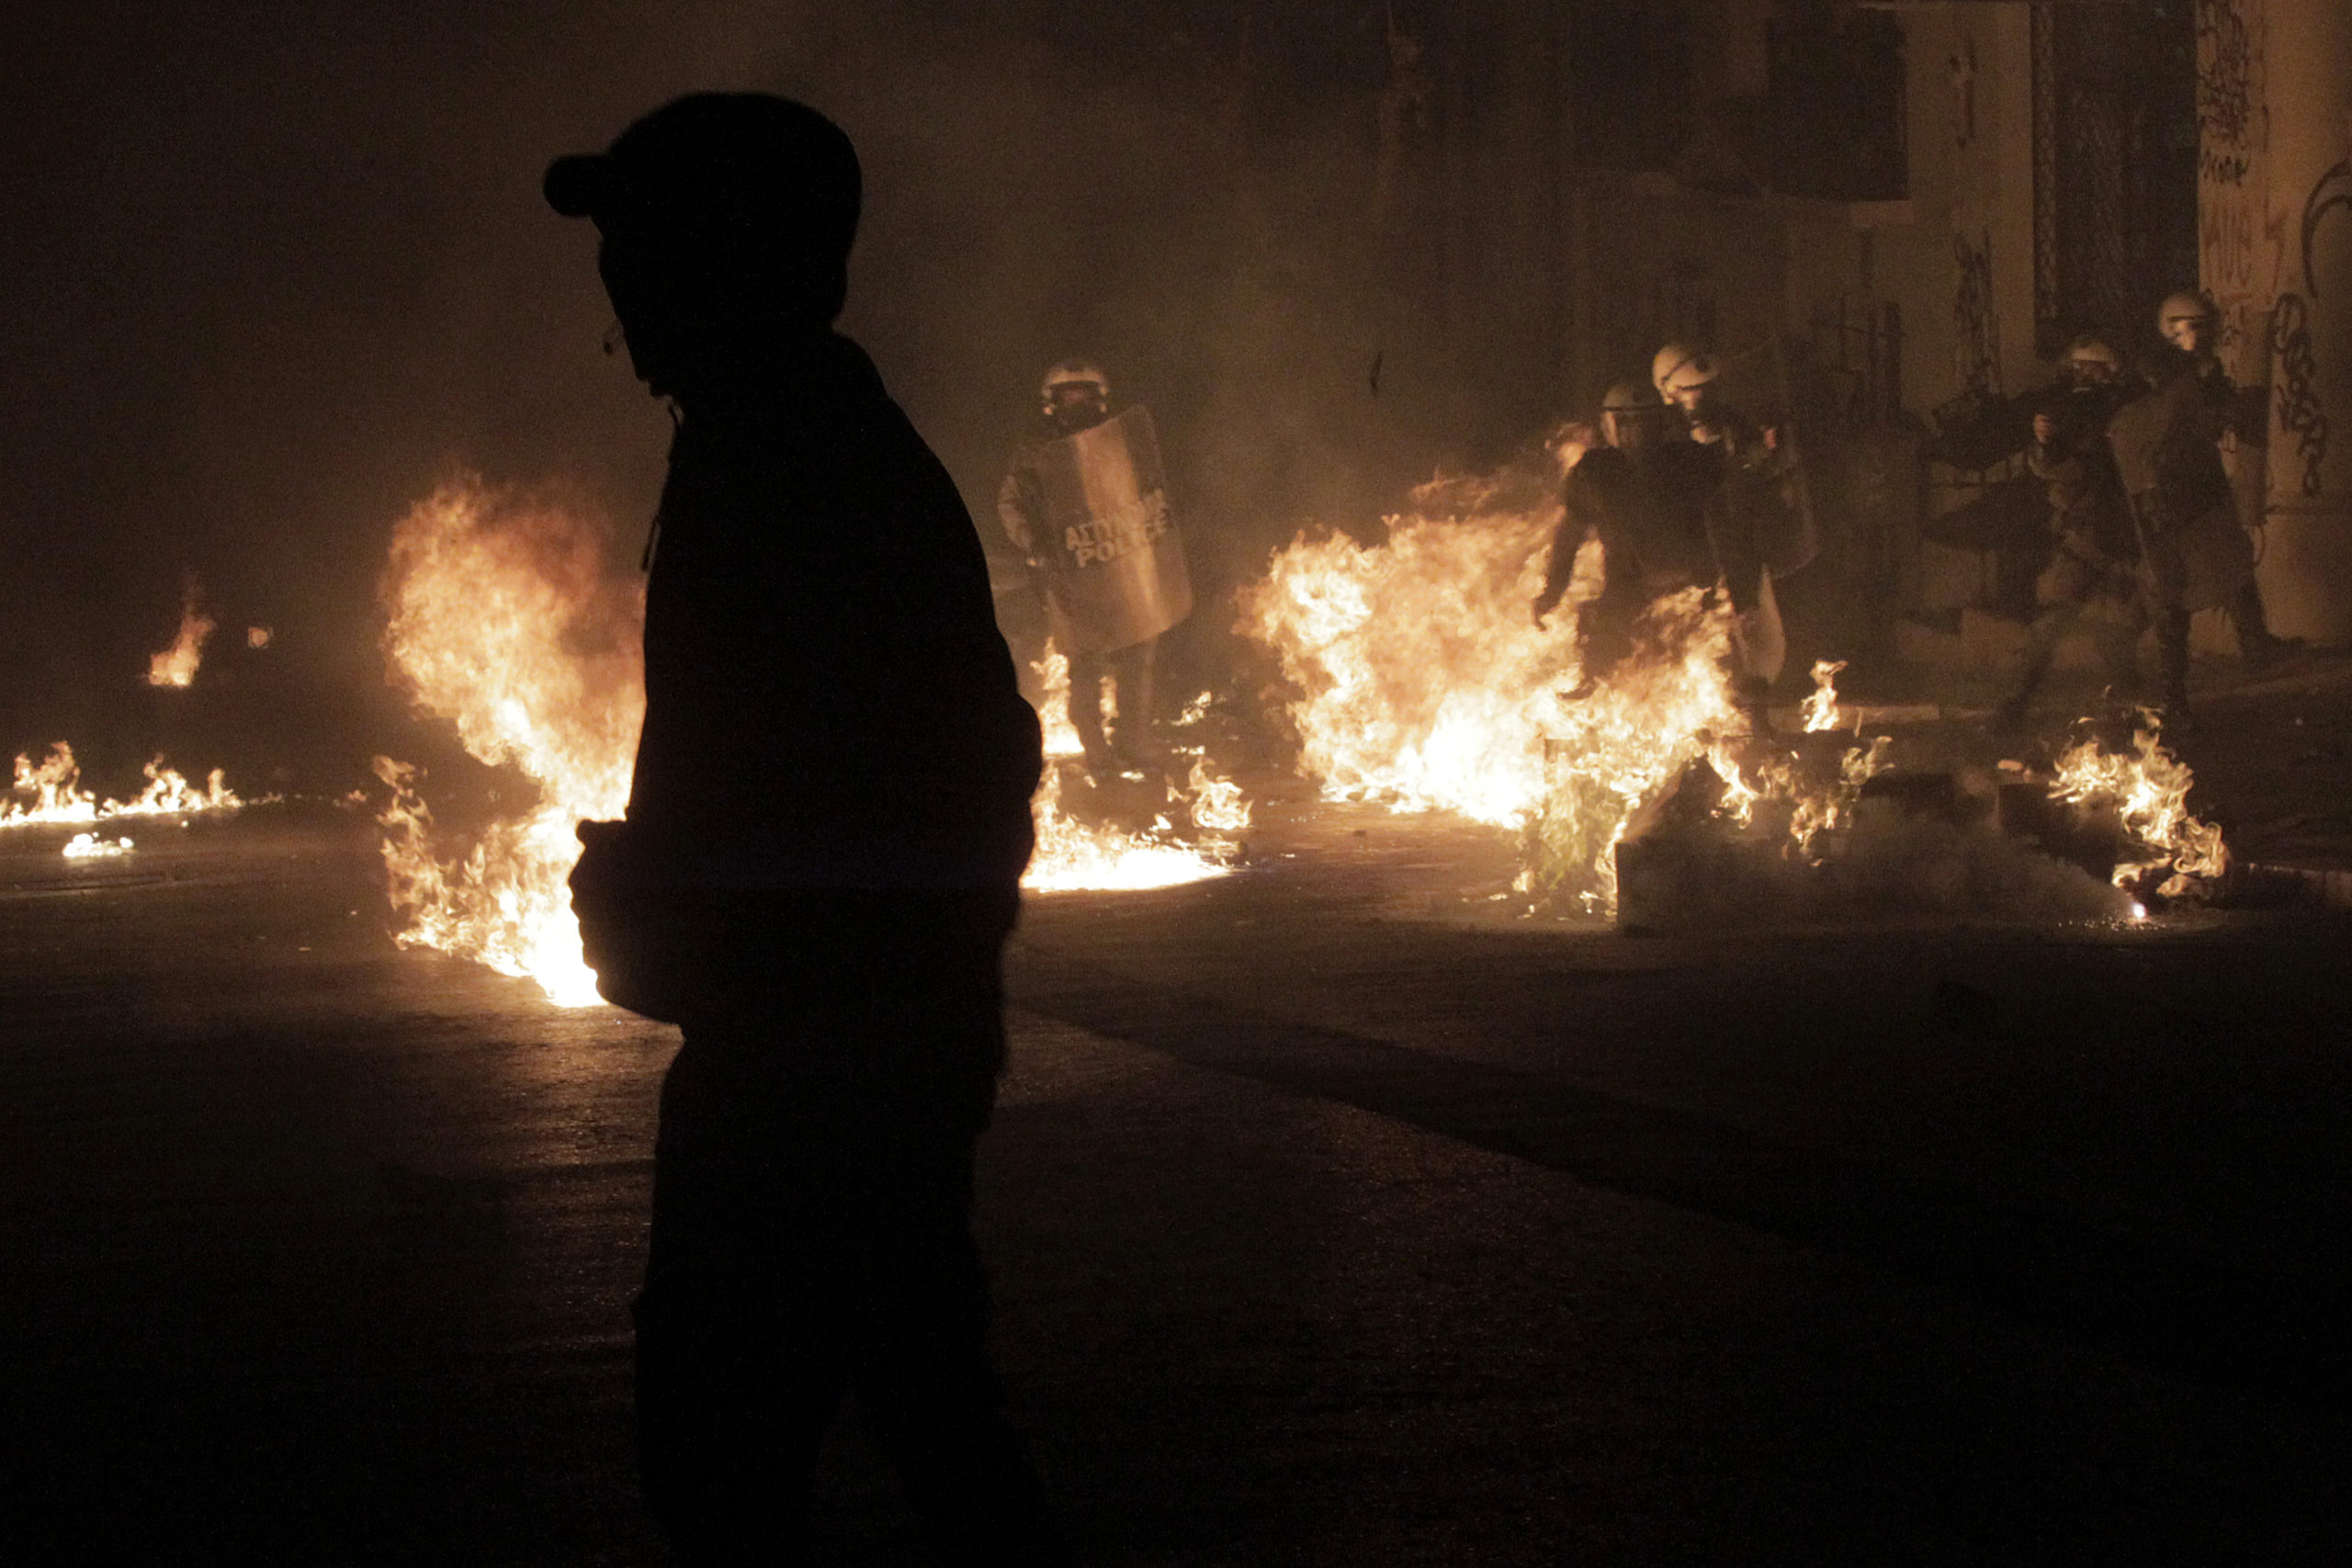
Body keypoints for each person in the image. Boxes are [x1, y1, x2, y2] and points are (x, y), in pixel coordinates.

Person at [545, 94, 1068, 1564]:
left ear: (739, 259)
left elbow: (931, 776)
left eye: (644, 245)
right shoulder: (760, 443)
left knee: (746, 1450)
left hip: (819, 1067)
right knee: (913, 1418)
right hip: (829, 1046)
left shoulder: (804, 464)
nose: (618, 285)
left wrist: (701, 907)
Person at [2109, 290, 2295, 723]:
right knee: (2168, 595)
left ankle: (2253, 646)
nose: (2200, 337)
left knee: (2228, 565)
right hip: (2160, 496)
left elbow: (2210, 418)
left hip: (2192, 491)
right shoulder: (2159, 372)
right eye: (2193, 328)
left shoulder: (2192, 371)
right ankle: (2172, 695)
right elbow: (2163, 424)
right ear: (2175, 329)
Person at [997, 360, 1189, 776]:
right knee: (1086, 659)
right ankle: (1095, 747)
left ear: (1099, 399)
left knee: (1138, 650)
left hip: (1122, 563)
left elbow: (1146, 490)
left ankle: (1133, 740)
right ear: (1053, 402)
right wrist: (1035, 546)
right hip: (1070, 572)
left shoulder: (1121, 442)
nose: (1077, 402)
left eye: (1084, 394)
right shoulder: (1035, 452)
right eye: (1069, 395)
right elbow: (1010, 503)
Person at [1993, 335, 2152, 730]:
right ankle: (2014, 704)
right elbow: (2055, 468)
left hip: (2125, 531)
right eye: (2078, 367)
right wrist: (2045, 442)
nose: (2082, 375)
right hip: (2086, 533)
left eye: (2090, 368)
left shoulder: (2128, 408)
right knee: (2052, 623)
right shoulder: (2070, 411)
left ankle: (2129, 708)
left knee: (2122, 625)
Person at [1532, 380, 1721, 693]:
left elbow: (1569, 536)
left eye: (1642, 421)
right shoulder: (1693, 458)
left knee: (1600, 626)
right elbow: (1569, 537)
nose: (1637, 430)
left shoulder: (1691, 460)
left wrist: (1553, 591)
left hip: (1677, 589)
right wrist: (1553, 590)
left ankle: (1596, 685)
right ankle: (1598, 688)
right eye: (1630, 422)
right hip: (1669, 587)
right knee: (1603, 629)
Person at [1652, 342, 1799, 728]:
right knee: (1708, 650)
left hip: (1745, 547)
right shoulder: (1667, 446)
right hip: (1698, 560)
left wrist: (1765, 456)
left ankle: (1756, 718)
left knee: (1760, 642)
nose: (1700, 396)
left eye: (1705, 387)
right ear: (1669, 392)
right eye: (1690, 390)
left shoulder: (1733, 425)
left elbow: (1756, 479)